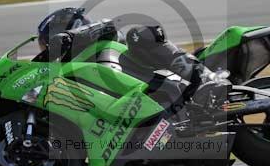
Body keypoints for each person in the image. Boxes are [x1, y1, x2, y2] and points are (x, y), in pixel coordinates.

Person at [36, 8, 228, 105]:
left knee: (139, 34)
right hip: (142, 105)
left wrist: (68, 38)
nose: (47, 50)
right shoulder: (71, 72)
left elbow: (108, 25)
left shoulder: (102, 35)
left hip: (163, 78)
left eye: (46, 43)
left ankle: (204, 78)